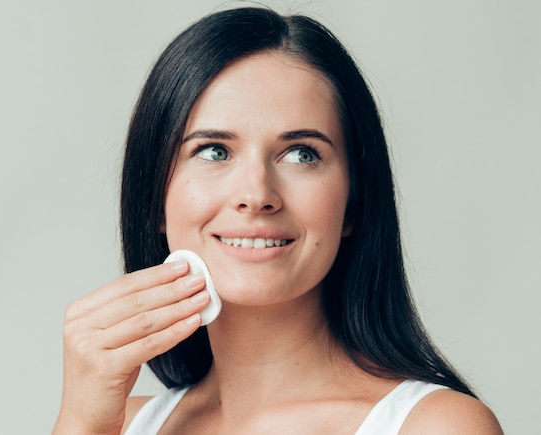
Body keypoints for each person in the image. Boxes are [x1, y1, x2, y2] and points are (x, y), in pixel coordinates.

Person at [53, 7, 503, 434]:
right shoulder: (121, 424)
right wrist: (79, 422)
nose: (256, 195)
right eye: (213, 151)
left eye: (301, 154)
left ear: (353, 202)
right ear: (155, 202)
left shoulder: (434, 426)